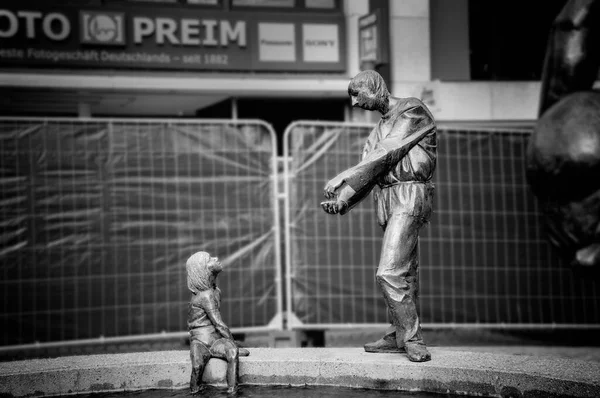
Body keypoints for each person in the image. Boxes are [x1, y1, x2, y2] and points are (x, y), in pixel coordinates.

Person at [321, 70, 437, 362]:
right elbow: (370, 171)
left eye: (357, 95)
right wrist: (343, 201)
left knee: (389, 271)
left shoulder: (412, 109)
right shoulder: (375, 131)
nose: (355, 104)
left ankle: (412, 338)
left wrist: (344, 175)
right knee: (405, 273)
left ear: (374, 88)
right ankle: (397, 332)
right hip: (388, 199)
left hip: (410, 194)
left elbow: (389, 150)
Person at [186, 251, 249, 394]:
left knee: (230, 353)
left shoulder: (215, 291)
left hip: (214, 340)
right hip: (200, 341)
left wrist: (231, 346)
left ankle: (231, 389)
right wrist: (233, 344)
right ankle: (231, 390)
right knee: (197, 366)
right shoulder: (206, 295)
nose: (216, 258)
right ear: (202, 269)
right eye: (210, 259)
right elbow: (219, 324)